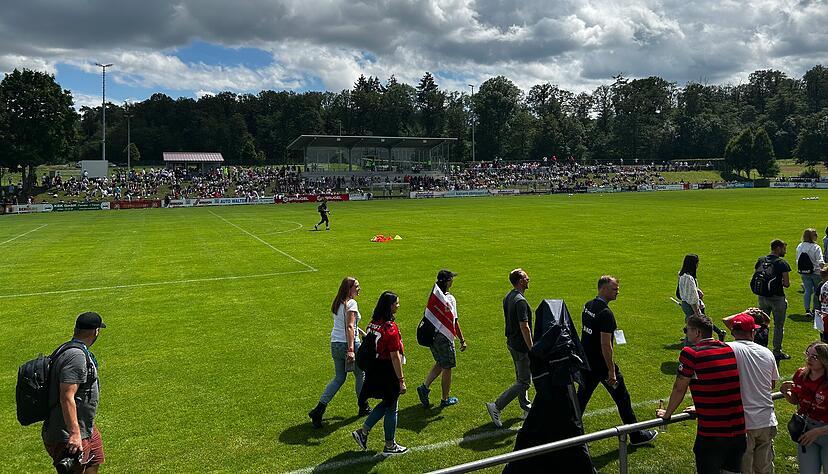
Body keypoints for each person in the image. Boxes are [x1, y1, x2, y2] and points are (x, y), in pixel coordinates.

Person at [657, 314, 746, 474]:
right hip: (738, 431)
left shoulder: (691, 353)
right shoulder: (727, 349)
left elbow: (679, 388)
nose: (686, 333)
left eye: (687, 330)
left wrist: (667, 414)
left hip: (712, 433)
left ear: (697, 332)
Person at [577, 275, 657, 445]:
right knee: (622, 398)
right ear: (603, 289)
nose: (617, 292)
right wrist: (611, 370)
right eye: (614, 289)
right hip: (602, 366)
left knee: (580, 401)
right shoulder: (606, 314)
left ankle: (566, 434)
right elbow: (605, 345)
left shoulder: (588, 306)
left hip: (588, 363)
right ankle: (636, 435)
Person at [42, 312, 107, 474]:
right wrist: (74, 434)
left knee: (94, 461)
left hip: (85, 427)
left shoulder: (71, 349)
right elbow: (66, 396)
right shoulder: (76, 356)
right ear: (96, 332)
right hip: (67, 433)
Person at [309, 277, 369, 428]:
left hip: (335, 344)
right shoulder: (352, 303)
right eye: (356, 286)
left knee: (339, 378)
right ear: (349, 289)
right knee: (360, 375)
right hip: (348, 345)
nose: (359, 289)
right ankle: (363, 406)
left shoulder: (338, 303)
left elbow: (349, 325)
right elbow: (349, 327)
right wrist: (351, 349)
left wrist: (362, 332)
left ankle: (319, 410)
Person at [722, 312, 779, 474]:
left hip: (741, 423)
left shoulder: (726, 349)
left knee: (744, 469)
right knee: (764, 469)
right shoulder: (767, 353)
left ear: (733, 331)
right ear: (753, 332)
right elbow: (771, 384)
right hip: (766, 420)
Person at [352, 291, 408, 455]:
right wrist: (401, 380)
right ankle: (389, 445)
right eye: (396, 303)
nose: (398, 306)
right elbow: (394, 356)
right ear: (389, 306)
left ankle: (363, 432)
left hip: (374, 369)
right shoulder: (389, 328)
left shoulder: (373, 324)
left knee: (387, 403)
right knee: (392, 406)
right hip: (387, 370)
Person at [486, 269, 533, 427]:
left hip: (512, 343)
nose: (528, 279)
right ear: (520, 281)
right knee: (524, 382)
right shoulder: (520, 301)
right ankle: (497, 406)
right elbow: (524, 327)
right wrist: (531, 348)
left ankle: (526, 407)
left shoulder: (509, 296)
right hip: (521, 346)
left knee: (521, 377)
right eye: (526, 278)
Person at [417, 270, 467, 408]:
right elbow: (454, 321)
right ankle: (445, 399)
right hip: (444, 337)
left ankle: (424, 387)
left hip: (432, 335)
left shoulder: (435, 296)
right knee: (447, 366)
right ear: (447, 282)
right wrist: (462, 340)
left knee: (440, 362)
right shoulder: (450, 299)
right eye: (451, 279)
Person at [781, 342, 828, 473]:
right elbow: (795, 400)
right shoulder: (800, 374)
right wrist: (786, 392)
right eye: (808, 354)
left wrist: (818, 432)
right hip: (806, 430)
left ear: (825, 360)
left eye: (815, 357)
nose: (809, 359)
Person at [755, 239, 792, 360]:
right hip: (777, 298)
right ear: (778, 248)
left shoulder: (761, 260)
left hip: (762, 296)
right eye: (784, 249)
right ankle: (776, 352)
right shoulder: (782, 263)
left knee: (762, 324)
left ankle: (760, 348)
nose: (785, 252)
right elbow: (786, 284)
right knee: (778, 325)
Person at [677, 253, 726, 342]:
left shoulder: (682, 275)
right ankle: (718, 332)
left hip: (687, 304)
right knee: (698, 322)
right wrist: (696, 311)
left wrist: (697, 290)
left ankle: (691, 339)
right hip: (691, 305)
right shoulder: (688, 277)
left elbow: (688, 291)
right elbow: (692, 297)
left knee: (696, 322)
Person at [797, 228, 825, 317]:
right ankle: (815, 309)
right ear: (810, 237)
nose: (817, 236)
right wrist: (823, 269)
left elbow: (798, 259)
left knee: (807, 290)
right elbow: (820, 261)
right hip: (816, 272)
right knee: (817, 291)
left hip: (804, 272)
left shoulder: (800, 246)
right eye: (815, 235)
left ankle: (807, 309)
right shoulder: (816, 247)